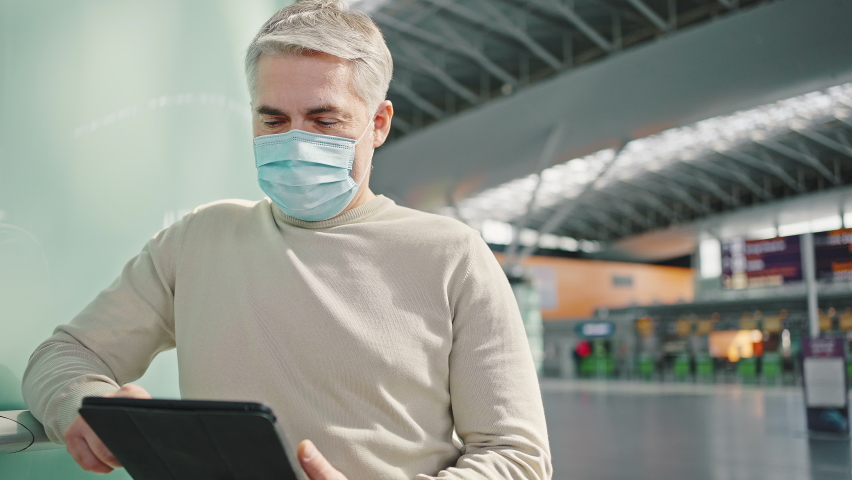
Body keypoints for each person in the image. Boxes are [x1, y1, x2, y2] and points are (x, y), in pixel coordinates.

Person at [22, 1, 552, 478]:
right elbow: (65, 354)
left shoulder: (451, 257)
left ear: (378, 123)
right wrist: (86, 407)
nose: (296, 142)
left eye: (324, 120)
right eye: (274, 120)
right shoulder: (197, 241)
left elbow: (516, 457)